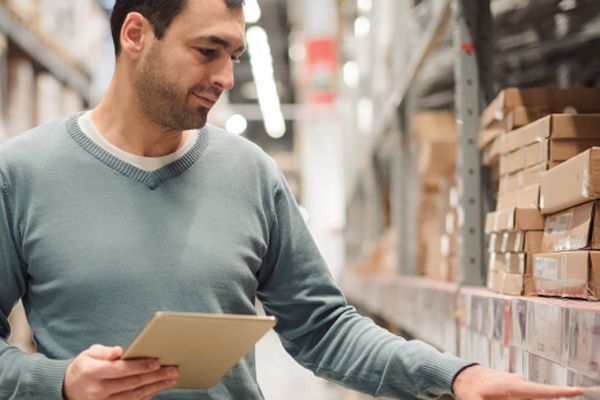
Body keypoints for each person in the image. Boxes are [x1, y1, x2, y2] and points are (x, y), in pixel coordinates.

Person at [0, 1, 585, 399]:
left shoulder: (250, 174)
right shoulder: (24, 173)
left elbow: (324, 328)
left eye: (235, 55)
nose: (227, 77)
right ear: (135, 35)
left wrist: (457, 376)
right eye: (208, 51)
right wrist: (59, 382)